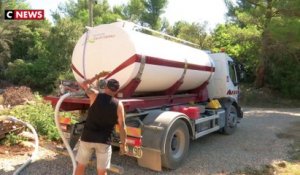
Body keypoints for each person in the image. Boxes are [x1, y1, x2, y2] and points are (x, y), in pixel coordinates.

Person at [75, 75, 127, 175]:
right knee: (102, 172)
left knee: (81, 166)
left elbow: (84, 84)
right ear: (116, 90)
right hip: (104, 141)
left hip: (87, 138)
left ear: (106, 87)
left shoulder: (94, 95)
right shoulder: (119, 105)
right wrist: (123, 144)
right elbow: (122, 126)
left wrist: (97, 76)